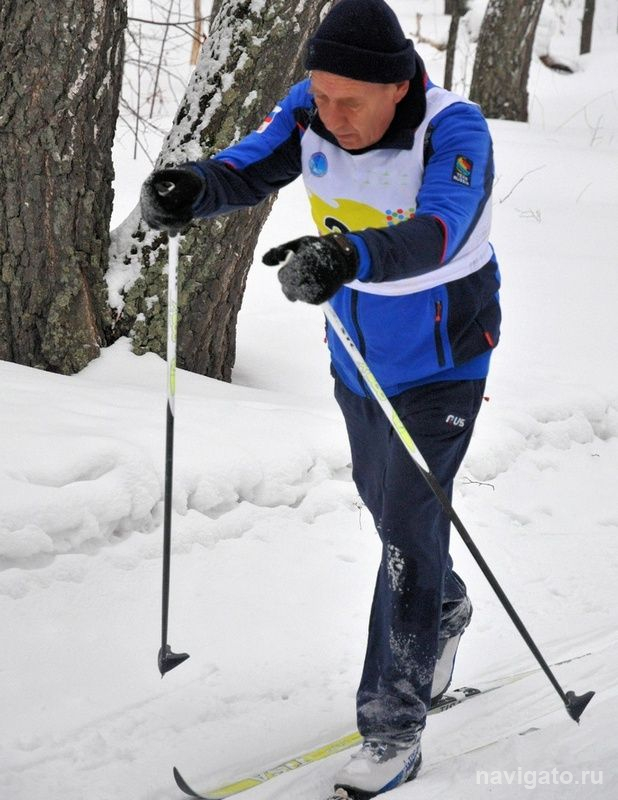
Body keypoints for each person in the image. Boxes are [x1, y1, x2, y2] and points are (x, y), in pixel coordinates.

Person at [141, 1, 501, 797]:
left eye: (351, 102)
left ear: (398, 85)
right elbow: (248, 166)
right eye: (320, 95)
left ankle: (394, 728)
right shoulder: (310, 108)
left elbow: (440, 231)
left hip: (444, 360)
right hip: (357, 354)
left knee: (408, 530)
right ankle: (442, 610)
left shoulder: (455, 131)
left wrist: (346, 254)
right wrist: (189, 188)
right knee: (387, 510)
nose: (330, 117)